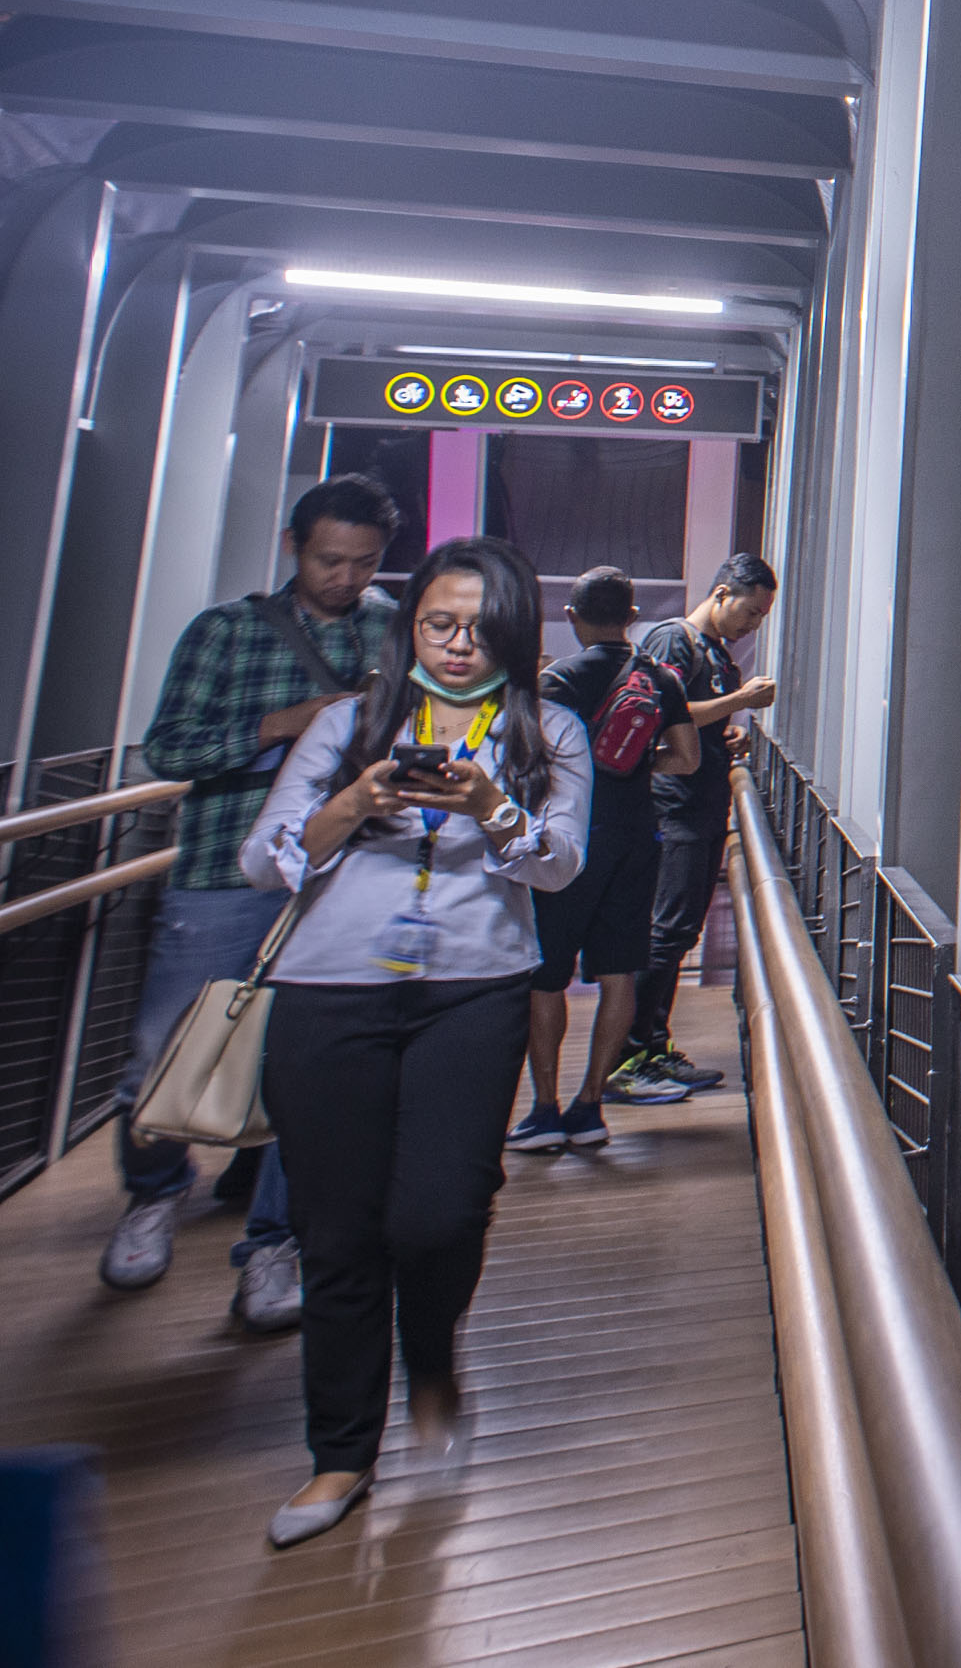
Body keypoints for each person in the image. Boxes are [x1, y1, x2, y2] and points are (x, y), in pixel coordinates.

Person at [243, 536, 590, 1548]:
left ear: (514, 634)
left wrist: (492, 809)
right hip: (329, 989)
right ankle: (340, 1455)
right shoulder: (352, 724)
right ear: (411, 628)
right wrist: (354, 802)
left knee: (439, 1214)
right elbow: (263, 859)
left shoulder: (549, 731)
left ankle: (431, 1360)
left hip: (474, 992)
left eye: (479, 627)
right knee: (338, 1232)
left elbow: (561, 866)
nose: (454, 643)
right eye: (437, 623)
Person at [103, 474, 404, 1327]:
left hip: (341, 878)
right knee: (164, 1049)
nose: (346, 578)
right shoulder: (228, 632)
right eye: (329, 560)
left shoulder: (394, 632)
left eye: (364, 564)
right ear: (293, 548)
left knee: (304, 1070)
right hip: (223, 873)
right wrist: (285, 724)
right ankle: (155, 1192)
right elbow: (167, 749)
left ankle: (274, 1244)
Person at [511, 571, 685, 1149]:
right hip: (639, 835)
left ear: (571, 614)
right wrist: (635, 767)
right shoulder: (660, 678)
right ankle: (590, 1108)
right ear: (632, 615)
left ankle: (543, 1109)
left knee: (547, 977)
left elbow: (528, 758)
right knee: (618, 976)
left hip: (576, 838)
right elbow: (684, 758)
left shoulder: (558, 680)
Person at [612, 553, 777, 1098]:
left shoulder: (714, 651)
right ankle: (630, 1056)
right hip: (674, 805)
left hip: (701, 805)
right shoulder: (672, 639)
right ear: (723, 594)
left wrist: (728, 733)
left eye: (760, 616)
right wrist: (740, 701)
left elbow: (694, 719)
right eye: (750, 612)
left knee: (679, 931)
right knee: (665, 932)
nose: (753, 624)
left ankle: (651, 1046)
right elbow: (665, 711)